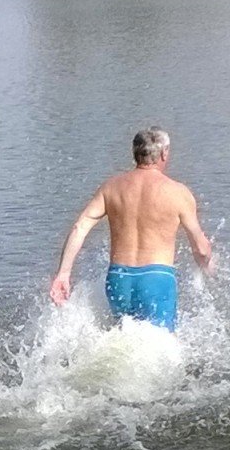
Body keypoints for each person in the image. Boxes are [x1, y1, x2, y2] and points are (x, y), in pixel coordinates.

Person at [47, 126, 217, 329]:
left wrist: (63, 274)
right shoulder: (178, 192)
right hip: (157, 279)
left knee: (124, 339)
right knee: (159, 349)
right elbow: (201, 248)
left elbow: (79, 228)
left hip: (119, 279)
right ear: (164, 153)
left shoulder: (111, 188)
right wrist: (207, 267)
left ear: (135, 153)